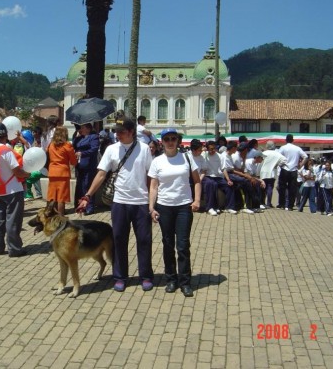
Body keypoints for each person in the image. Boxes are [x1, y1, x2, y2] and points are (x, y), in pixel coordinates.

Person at [76, 117, 154, 292]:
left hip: (141, 202)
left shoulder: (144, 150)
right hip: (119, 203)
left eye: (122, 131)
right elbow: (101, 174)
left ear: (132, 132)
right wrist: (87, 196)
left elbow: (150, 176)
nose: (117, 134)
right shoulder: (111, 149)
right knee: (118, 240)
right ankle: (119, 276)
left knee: (144, 240)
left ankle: (146, 275)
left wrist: (152, 202)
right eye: (116, 131)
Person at [148, 128, 201, 297]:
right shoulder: (157, 161)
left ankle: (185, 281)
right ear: (162, 142)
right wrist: (151, 207)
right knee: (168, 244)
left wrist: (197, 200)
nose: (170, 142)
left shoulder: (187, 157)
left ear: (178, 141)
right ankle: (171, 279)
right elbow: (153, 186)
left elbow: (197, 181)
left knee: (183, 245)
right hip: (164, 206)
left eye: (173, 138)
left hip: (184, 207)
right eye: (167, 139)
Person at [0, 123, 30, 257]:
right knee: (13, 220)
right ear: (5, 135)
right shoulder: (6, 150)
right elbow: (17, 171)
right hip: (12, 189)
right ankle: (15, 249)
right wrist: (27, 174)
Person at [47, 127, 77, 216]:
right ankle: (60, 216)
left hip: (52, 172)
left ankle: (50, 214)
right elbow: (73, 162)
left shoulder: (51, 145)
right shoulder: (67, 145)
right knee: (61, 197)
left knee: (52, 196)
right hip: (63, 173)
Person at [202, 141, 237, 215]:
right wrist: (203, 150)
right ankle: (210, 207)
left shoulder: (220, 156)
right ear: (207, 149)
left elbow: (223, 169)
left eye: (214, 148)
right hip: (207, 176)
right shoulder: (204, 155)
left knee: (229, 186)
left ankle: (229, 207)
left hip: (217, 176)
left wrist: (228, 180)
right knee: (211, 184)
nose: (213, 150)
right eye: (211, 149)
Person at [73, 123, 99, 215]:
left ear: (88, 129)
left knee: (88, 185)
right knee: (80, 186)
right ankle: (80, 205)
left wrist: (82, 153)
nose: (81, 129)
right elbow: (73, 146)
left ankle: (89, 207)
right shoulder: (79, 138)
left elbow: (94, 149)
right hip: (79, 165)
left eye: (82, 128)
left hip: (89, 165)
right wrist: (76, 135)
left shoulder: (93, 137)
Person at [277, 134, 308, 211]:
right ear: (293, 140)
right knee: (292, 189)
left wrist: (279, 164)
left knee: (282, 188)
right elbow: (306, 157)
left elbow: (278, 156)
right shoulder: (297, 148)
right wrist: (300, 165)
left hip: (284, 169)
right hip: (294, 170)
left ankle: (282, 204)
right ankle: (290, 205)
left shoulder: (283, 148)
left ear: (286, 140)